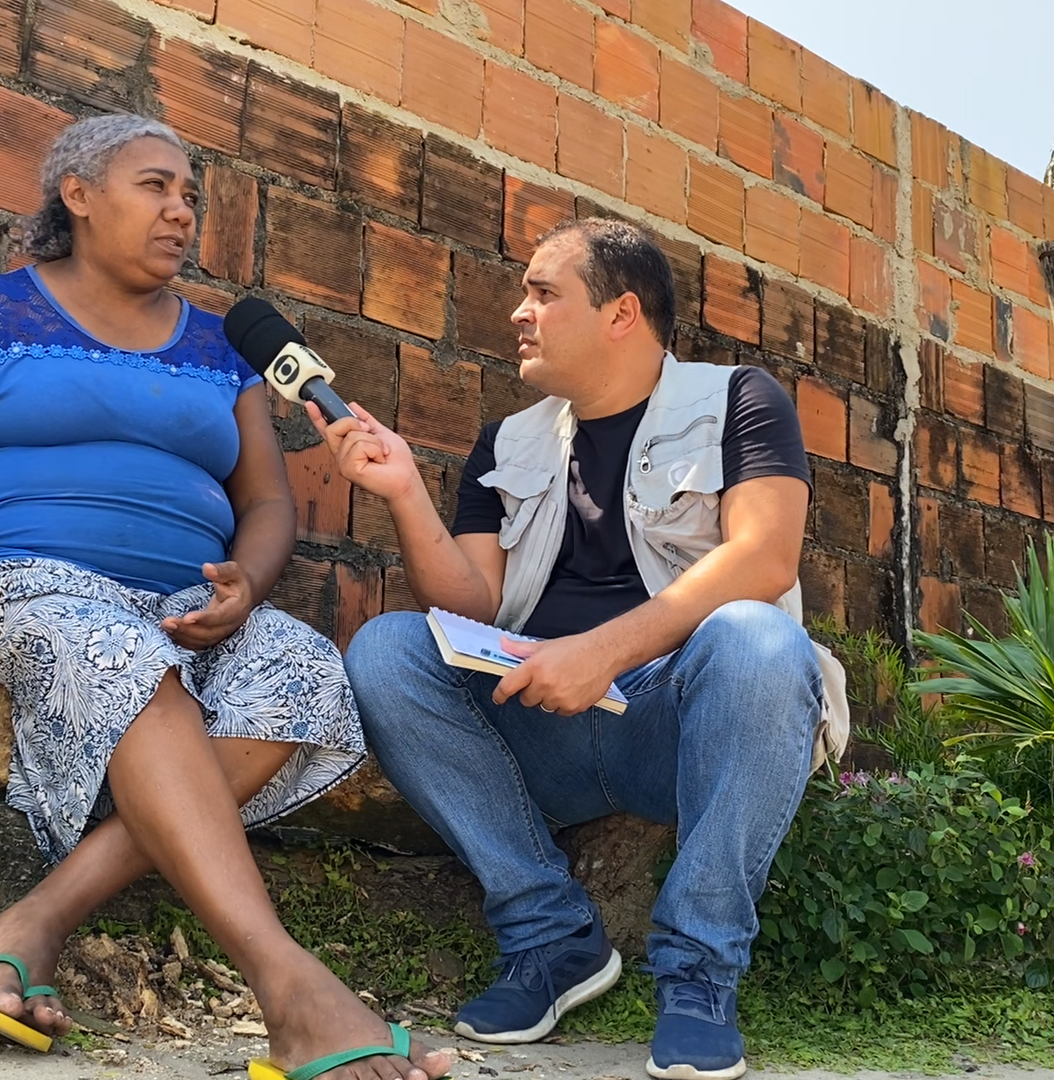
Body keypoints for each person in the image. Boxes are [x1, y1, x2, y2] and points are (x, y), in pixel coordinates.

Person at [0, 114, 452, 1080]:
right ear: (76, 193)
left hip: (177, 604)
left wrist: (251, 581)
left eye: (190, 195)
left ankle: (31, 922)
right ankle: (290, 985)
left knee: (305, 670)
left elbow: (268, 502)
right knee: (127, 657)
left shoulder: (220, 347)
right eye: (156, 186)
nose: (180, 211)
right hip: (23, 584)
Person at [314, 219, 849, 1080]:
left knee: (760, 636)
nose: (519, 312)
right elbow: (469, 605)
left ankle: (699, 975)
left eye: (543, 293)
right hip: (542, 719)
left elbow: (765, 557)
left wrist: (600, 652)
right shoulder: (507, 442)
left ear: (621, 312)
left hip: (682, 721)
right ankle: (551, 937)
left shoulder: (740, 402)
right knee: (385, 650)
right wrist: (405, 491)